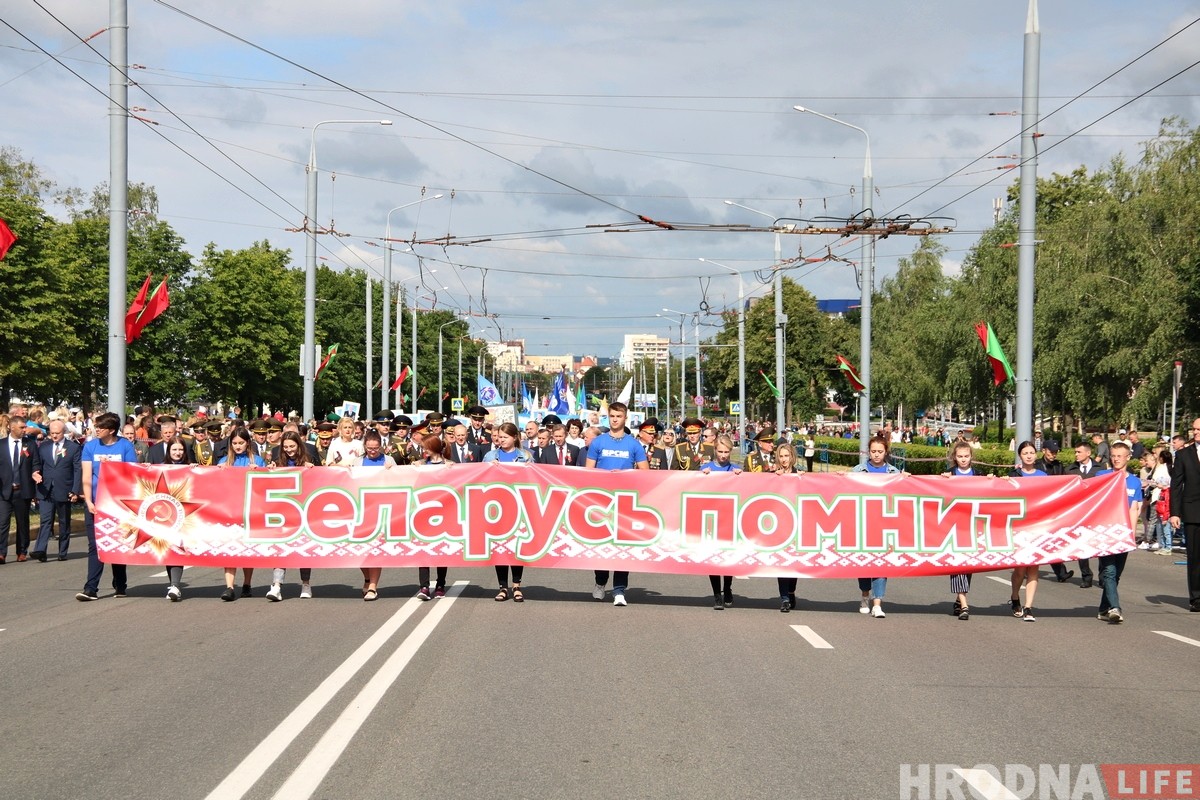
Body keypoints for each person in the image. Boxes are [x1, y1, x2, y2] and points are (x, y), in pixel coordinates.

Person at [585, 402, 648, 605]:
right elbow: (588, 473)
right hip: (601, 502)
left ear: (625, 418)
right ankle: (600, 582)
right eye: (611, 416)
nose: (614, 419)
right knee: (602, 546)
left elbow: (645, 474)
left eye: (618, 416)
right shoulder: (598, 443)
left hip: (625, 504)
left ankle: (619, 589)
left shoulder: (634, 444)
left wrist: (626, 477)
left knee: (622, 547)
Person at [75, 413, 137, 600]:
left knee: (116, 542)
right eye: (96, 427)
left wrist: (113, 467)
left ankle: (120, 584)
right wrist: (88, 501)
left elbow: (132, 475)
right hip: (96, 502)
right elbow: (86, 477)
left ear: (111, 430)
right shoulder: (90, 446)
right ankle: (91, 588)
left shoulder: (125, 446)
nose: (96, 430)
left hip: (118, 503)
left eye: (100, 428)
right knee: (95, 545)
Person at [265, 431, 318, 601]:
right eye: (286, 447)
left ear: (299, 446)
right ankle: (277, 585)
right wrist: (270, 470)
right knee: (280, 548)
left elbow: (322, 479)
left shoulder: (309, 456)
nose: (289, 450)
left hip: (304, 510)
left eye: (292, 446)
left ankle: (306, 584)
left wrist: (313, 470)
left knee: (303, 548)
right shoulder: (276, 457)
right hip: (283, 510)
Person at [850, 435, 898, 618]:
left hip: (885, 525)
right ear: (868, 452)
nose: (876, 455)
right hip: (863, 523)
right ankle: (864, 595)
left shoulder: (893, 472)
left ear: (886, 452)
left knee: (881, 564)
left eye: (880, 451)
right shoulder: (858, 470)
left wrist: (906, 479)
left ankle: (877, 602)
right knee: (864, 563)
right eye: (873, 451)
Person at [1095, 442, 1141, 623]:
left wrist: (1131, 534)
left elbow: (1134, 509)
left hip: (1123, 533)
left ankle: (1103, 608)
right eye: (1113, 455)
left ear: (1128, 457)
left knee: (1116, 573)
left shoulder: (1134, 481)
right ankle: (1115, 607)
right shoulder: (1102, 476)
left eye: (1120, 456)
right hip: (1105, 532)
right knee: (1109, 571)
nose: (1116, 459)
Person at [217, 426, 264, 601]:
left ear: (247, 443)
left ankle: (247, 583)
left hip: (250, 512)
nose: (237, 446)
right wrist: (218, 472)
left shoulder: (257, 461)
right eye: (235, 443)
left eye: (241, 443)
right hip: (229, 512)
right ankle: (229, 586)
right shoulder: (224, 461)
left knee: (246, 550)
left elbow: (267, 485)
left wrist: (259, 472)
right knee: (230, 550)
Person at [942, 441, 988, 620]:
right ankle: (965, 605)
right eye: (960, 456)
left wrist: (995, 480)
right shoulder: (950, 474)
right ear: (955, 457)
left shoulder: (978, 475)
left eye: (966, 456)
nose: (963, 459)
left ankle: (958, 600)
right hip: (953, 527)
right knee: (957, 564)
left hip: (973, 525)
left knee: (968, 566)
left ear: (971, 457)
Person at [1006, 440, 1047, 620]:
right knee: (1020, 569)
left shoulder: (1043, 476)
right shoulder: (1013, 474)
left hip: (1037, 526)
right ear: (1020, 456)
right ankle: (1015, 597)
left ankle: (1029, 606)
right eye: (1025, 453)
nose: (1029, 455)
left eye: (1031, 452)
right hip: (1019, 526)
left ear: (1036, 454)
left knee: (1034, 568)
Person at [33, 419, 81, 562]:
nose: (54, 436)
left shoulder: (73, 448)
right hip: (46, 489)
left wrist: (75, 491)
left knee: (63, 521)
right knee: (45, 520)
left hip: (64, 489)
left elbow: (77, 470)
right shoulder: (43, 447)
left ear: (64, 432)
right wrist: (35, 473)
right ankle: (40, 550)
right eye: (52, 433)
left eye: (57, 433)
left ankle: (62, 551)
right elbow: (37, 464)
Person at [701, 434, 741, 610]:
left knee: (728, 557)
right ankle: (717, 594)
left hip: (729, 519)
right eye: (720, 451)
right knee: (713, 558)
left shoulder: (736, 469)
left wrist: (741, 477)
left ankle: (727, 588)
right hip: (710, 519)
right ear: (715, 450)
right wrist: (701, 477)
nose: (723, 455)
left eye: (726, 452)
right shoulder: (706, 468)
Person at [0, 415, 43, 563]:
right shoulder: (1, 445)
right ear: (12, 427)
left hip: (23, 490)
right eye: (22, 427)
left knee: (22, 523)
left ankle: (22, 551)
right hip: (4, 491)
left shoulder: (29, 444)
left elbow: (36, 463)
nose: (25, 430)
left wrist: (35, 472)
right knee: (2, 522)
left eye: (25, 427)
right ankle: (1, 552)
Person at [1168, 417, 1200, 612]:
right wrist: (1175, 513)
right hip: (1192, 512)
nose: (1195, 432)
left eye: (1199, 429)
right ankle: (1196, 597)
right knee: (1195, 557)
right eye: (1194, 429)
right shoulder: (1183, 455)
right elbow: (1176, 486)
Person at [1065, 441, 1101, 588]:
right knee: (1082, 545)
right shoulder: (1071, 470)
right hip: (1079, 513)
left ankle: (1104, 575)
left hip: (1097, 511)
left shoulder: (1101, 469)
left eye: (1079, 452)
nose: (1076, 454)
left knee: (1100, 545)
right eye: (1075, 452)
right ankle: (1086, 575)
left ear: (1088, 453)